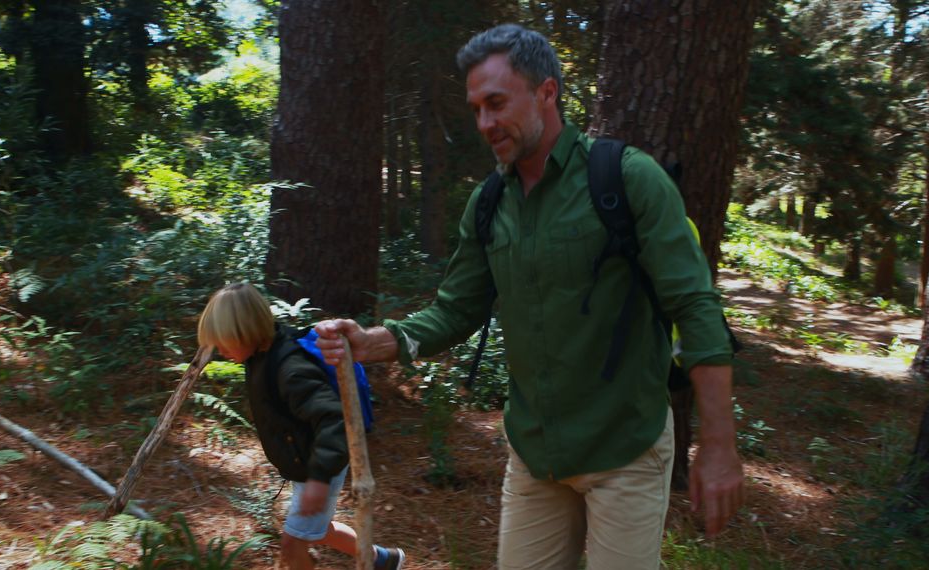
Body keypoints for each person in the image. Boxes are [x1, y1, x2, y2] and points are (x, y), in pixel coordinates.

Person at [315, 23, 743, 570]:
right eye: (476, 109)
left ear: (546, 91)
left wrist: (719, 444)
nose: (485, 123)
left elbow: (695, 306)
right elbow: (457, 308)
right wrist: (375, 341)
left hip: (626, 447)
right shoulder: (490, 204)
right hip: (535, 452)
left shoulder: (627, 179)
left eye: (496, 103)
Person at [197, 283, 405, 570]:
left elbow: (334, 421)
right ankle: (383, 559)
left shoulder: (289, 369)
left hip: (320, 465)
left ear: (244, 332)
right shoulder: (261, 354)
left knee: (292, 543)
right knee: (319, 531)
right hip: (306, 462)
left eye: (223, 341)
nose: (219, 350)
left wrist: (319, 480)